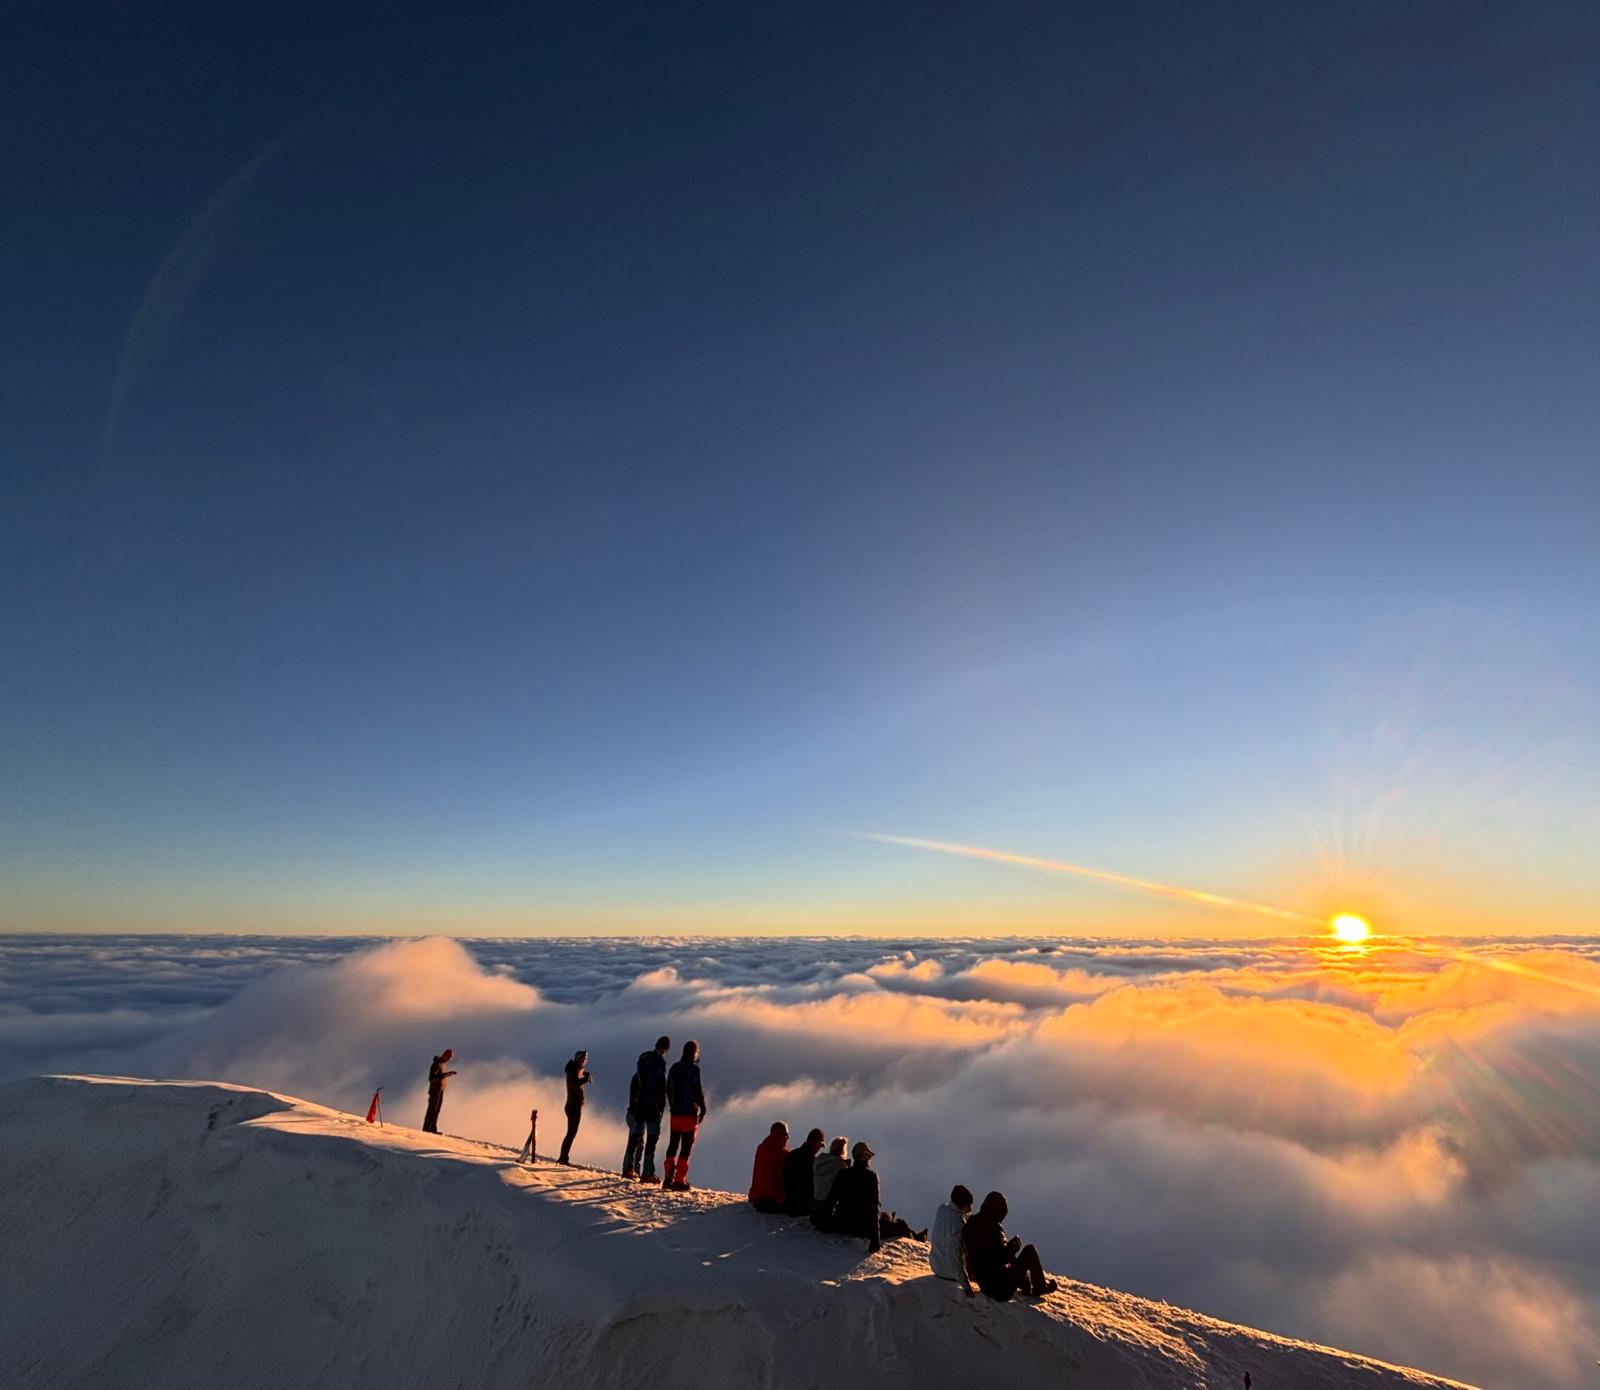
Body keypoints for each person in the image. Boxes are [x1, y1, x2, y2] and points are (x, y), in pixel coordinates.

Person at [962, 1191, 1057, 1300]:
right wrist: (1013, 1247)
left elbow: (987, 1256)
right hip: (1000, 1289)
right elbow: (1002, 1258)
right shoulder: (994, 1229)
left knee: (1013, 1260)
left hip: (985, 1286)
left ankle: (1026, 1284)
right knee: (1030, 1250)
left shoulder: (971, 1223)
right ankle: (1040, 1287)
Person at [623, 1035, 670, 1182]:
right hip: (652, 1107)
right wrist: (661, 1106)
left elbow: (636, 1087)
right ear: (665, 1049)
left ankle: (627, 1168)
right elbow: (661, 1087)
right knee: (651, 1139)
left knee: (635, 1136)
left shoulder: (643, 1060)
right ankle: (647, 1172)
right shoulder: (660, 1063)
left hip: (639, 1107)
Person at [662, 1039, 707, 1190]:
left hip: (675, 1113)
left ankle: (668, 1178)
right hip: (689, 1114)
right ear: (694, 1053)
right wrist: (703, 1108)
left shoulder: (674, 1068)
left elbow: (668, 1089)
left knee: (673, 1144)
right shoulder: (694, 1070)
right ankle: (679, 1180)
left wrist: (673, 1105)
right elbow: (698, 1091)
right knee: (686, 1147)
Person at [827, 1141, 884, 1252]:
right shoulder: (871, 1177)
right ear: (866, 1157)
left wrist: (826, 1224)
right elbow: (873, 1210)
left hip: (842, 1224)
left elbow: (831, 1200)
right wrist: (875, 1242)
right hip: (862, 1228)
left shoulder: (842, 1173)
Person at [930, 1184, 975, 1296]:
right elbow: (955, 1257)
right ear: (962, 1205)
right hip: (949, 1273)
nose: (970, 1209)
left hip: (935, 1265)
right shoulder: (958, 1223)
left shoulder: (942, 1209)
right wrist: (966, 1287)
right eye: (968, 1205)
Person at [557, 1049, 592, 1164]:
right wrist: (586, 1078)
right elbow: (576, 1082)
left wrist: (584, 1074)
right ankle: (563, 1158)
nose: (584, 1061)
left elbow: (577, 1079)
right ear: (578, 1059)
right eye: (583, 1059)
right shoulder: (573, 1070)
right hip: (573, 1106)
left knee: (571, 1133)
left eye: (585, 1059)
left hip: (573, 1105)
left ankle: (564, 1158)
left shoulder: (574, 1069)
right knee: (571, 1133)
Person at [748, 1121, 789, 1213]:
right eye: (786, 1135)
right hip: (772, 1200)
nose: (787, 1138)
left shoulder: (761, 1147)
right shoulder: (782, 1153)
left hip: (756, 1197)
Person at [784, 1128, 824, 1216]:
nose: (819, 1148)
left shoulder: (791, 1155)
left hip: (788, 1205)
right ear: (815, 1142)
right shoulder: (813, 1162)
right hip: (803, 1208)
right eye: (820, 1145)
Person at [811, 1135, 849, 1227]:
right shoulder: (842, 1167)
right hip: (828, 1214)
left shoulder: (819, 1160)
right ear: (843, 1150)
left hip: (814, 1211)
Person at [422, 1048, 455, 1133]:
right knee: (432, 1110)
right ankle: (426, 1129)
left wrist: (446, 1075)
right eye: (448, 1057)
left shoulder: (443, 1064)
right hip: (434, 1090)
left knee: (436, 1110)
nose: (449, 1059)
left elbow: (440, 1076)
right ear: (445, 1055)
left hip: (440, 1089)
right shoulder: (436, 1064)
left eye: (450, 1058)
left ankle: (433, 1129)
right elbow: (431, 1078)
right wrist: (444, 1075)